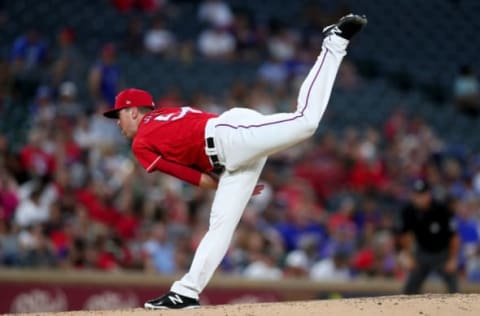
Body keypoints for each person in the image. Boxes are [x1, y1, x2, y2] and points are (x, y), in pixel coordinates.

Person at [103, 13, 367, 309]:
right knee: (221, 226)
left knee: (306, 122)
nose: (117, 121)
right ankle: (186, 291)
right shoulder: (166, 113)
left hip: (229, 139)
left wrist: (228, 177)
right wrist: (236, 178)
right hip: (232, 147)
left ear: (134, 111)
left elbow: (192, 177)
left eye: (119, 114)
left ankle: (334, 42)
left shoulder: (141, 141)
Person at [398, 179, 460, 294]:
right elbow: (404, 235)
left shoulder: (442, 210)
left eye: (422, 195)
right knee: (409, 290)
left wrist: (452, 259)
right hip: (422, 253)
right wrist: (408, 256)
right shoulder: (409, 211)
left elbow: (454, 236)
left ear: (428, 195)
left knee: (454, 289)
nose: (419, 198)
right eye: (416, 195)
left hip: (443, 253)